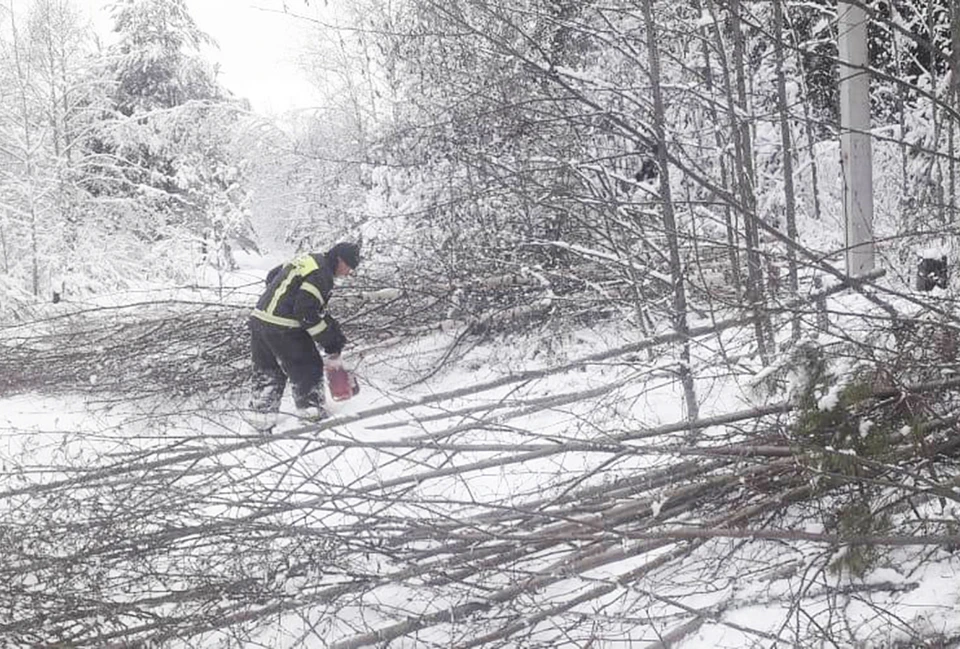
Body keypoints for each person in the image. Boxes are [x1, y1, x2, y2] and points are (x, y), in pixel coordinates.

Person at [246, 241, 360, 431]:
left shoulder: (309, 260)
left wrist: (280, 300)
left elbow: (273, 275)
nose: (348, 273)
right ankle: (312, 420)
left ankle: (260, 423)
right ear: (340, 260)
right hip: (283, 327)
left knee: (268, 373)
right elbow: (306, 313)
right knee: (308, 369)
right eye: (349, 267)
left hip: (260, 321)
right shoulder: (322, 274)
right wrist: (330, 342)